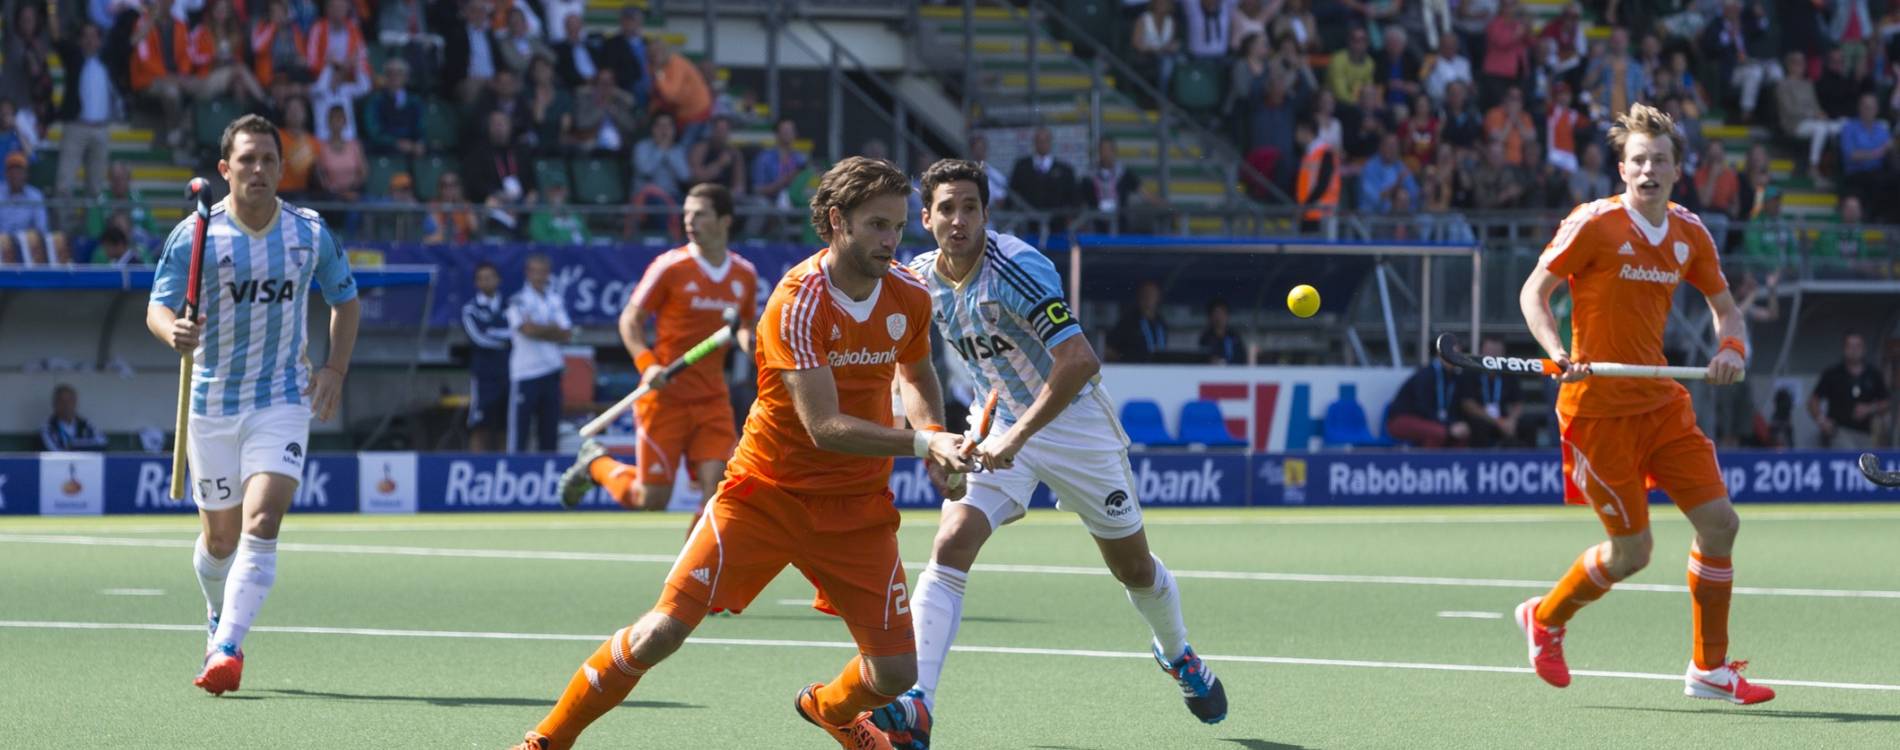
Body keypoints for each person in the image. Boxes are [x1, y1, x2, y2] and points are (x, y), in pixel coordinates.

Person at [512, 157, 969, 750]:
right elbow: (824, 426)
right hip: (763, 496)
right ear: (837, 222)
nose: (893, 241)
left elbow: (916, 370)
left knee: (896, 675)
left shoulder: (908, 292)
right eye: (878, 226)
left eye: (899, 226)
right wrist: (922, 441)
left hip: (856, 508)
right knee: (662, 632)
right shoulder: (798, 302)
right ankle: (547, 740)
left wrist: (935, 437)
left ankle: (829, 709)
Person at [869, 162, 1229, 749]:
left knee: (1132, 569)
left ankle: (1177, 652)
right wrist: (930, 435)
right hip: (998, 420)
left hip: (1075, 426)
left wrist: (1017, 439)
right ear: (927, 217)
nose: (958, 220)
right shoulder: (916, 280)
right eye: (946, 209)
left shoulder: (1017, 266)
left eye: (970, 208)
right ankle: (919, 704)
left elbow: (1080, 359)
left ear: (986, 214)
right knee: (950, 543)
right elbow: (909, 367)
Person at [1514, 103, 1772, 705]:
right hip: (1597, 410)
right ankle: (1546, 619)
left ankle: (1708, 670)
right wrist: (1556, 349)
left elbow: (1726, 310)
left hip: (1660, 402)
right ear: (1622, 169)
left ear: (1678, 169)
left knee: (1720, 524)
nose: (1648, 169)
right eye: (1637, 160)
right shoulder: (1594, 223)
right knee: (1633, 552)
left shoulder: (1689, 232)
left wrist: (1731, 347)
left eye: (1659, 159)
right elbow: (1535, 291)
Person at [147, 114, 359, 696]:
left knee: (261, 522)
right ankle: (218, 615)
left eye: (269, 159)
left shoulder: (310, 232)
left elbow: (346, 299)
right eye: (247, 159)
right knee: (220, 540)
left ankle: (227, 648)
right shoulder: (196, 234)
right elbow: (157, 308)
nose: (259, 169)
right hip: (211, 400)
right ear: (224, 169)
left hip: (282, 398)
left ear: (281, 167)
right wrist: (175, 334)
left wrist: (334, 368)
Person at [558, 182, 759, 516]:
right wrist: (648, 364)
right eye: (686, 214)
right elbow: (630, 321)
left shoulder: (745, 274)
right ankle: (596, 465)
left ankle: (697, 569)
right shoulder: (670, 266)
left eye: (700, 214)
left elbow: (744, 325)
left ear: (725, 221)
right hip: (664, 397)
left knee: (718, 489)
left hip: (711, 400)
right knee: (651, 499)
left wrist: (748, 343)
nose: (689, 221)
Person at [506, 253, 572, 453]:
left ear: (548, 274)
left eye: (542, 272)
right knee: (520, 435)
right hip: (526, 373)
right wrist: (551, 329)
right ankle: (514, 470)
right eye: (534, 271)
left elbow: (566, 334)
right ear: (527, 273)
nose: (538, 276)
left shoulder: (554, 300)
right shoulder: (518, 300)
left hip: (551, 370)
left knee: (549, 433)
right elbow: (526, 331)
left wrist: (539, 329)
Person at [1807, 332, 1889, 450]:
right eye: (1850, 346)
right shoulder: (1833, 374)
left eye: (1857, 346)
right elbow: (1813, 401)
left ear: (1864, 349)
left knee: (1867, 464)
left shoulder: (1873, 374)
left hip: (1867, 433)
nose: (1854, 350)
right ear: (1844, 349)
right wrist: (1822, 421)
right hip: (1840, 432)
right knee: (1847, 456)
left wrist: (1869, 408)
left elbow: (1886, 402)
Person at [462, 262, 511, 452]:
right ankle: (477, 467)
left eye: (490, 277)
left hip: (509, 373)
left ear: (498, 280)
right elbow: (479, 338)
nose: (486, 282)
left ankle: (503, 468)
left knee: (504, 428)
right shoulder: (471, 309)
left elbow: (518, 333)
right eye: (481, 278)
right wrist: (505, 339)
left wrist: (494, 332)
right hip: (484, 376)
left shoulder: (511, 305)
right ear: (476, 283)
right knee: (480, 426)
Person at [1455, 337, 1536, 447]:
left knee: (1529, 424)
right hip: (1483, 418)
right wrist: (1497, 422)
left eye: (1497, 353)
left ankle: (1527, 460)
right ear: (1481, 353)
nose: (1493, 356)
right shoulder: (1470, 372)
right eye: (1490, 352)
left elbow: (1518, 402)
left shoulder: (1508, 372)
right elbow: (1468, 404)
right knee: (1478, 426)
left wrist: (1512, 420)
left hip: (1504, 419)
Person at [1105, 279, 1167, 363]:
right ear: (1139, 296)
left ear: (1158, 297)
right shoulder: (1128, 322)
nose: (1148, 298)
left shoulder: (1161, 323)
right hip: (1134, 371)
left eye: (1152, 294)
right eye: (1145, 294)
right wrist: (1124, 363)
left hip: (1159, 370)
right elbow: (1109, 349)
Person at [41, 384, 110, 451]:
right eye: (62, 401)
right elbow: (55, 451)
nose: (66, 405)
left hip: (85, 461)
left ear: (75, 402)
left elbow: (102, 441)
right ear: (55, 404)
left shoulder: (85, 424)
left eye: (70, 401)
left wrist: (76, 444)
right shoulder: (49, 427)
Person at [1199, 298, 1244, 365]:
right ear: (1210, 317)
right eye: (1216, 314)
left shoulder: (1234, 337)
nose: (1219, 317)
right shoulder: (1205, 338)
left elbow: (1242, 358)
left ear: (1227, 316)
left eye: (1222, 313)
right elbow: (1201, 358)